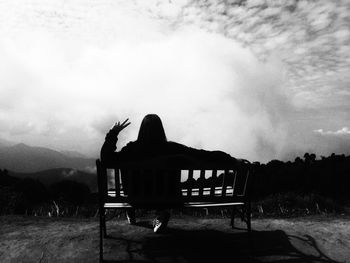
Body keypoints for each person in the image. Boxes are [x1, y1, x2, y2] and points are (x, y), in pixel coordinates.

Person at [100, 114, 236, 233]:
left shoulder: (131, 149)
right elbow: (202, 154)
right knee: (161, 185)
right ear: (161, 129)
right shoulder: (172, 148)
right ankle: (161, 212)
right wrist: (232, 159)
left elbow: (106, 158)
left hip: (135, 199)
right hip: (169, 198)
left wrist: (113, 133)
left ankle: (133, 212)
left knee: (134, 184)